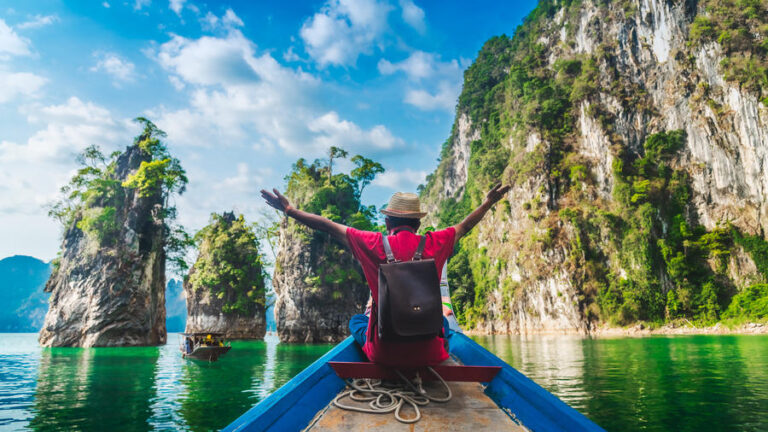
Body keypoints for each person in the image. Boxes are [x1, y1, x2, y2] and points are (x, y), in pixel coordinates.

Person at [260, 183, 510, 367]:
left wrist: (290, 210)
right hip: (432, 354)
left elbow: (326, 225)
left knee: (357, 321)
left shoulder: (373, 243)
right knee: (444, 324)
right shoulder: (436, 242)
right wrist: (487, 203)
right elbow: (465, 226)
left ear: (388, 222)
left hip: (384, 354)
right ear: (418, 224)